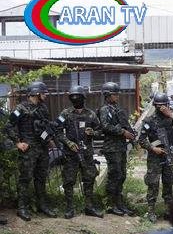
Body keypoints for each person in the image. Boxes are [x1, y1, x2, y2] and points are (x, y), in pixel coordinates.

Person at [4, 81, 57, 221]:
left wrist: (49, 139)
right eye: (43, 93)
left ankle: (42, 205)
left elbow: (45, 127)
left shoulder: (43, 108)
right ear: (36, 93)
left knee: (41, 177)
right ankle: (22, 208)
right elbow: (8, 126)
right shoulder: (20, 109)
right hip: (28, 150)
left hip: (42, 149)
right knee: (25, 179)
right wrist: (18, 142)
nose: (45, 95)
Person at [56, 85, 103, 219]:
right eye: (73, 97)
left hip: (86, 153)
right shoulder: (65, 114)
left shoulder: (91, 114)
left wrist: (93, 132)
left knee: (89, 179)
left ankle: (89, 207)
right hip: (71, 154)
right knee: (69, 181)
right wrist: (68, 143)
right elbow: (57, 131)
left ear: (83, 98)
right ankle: (70, 208)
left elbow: (100, 130)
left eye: (78, 97)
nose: (76, 99)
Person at [138, 93, 173, 223]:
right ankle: (151, 211)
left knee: (168, 182)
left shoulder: (171, 119)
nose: (162, 108)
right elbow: (141, 139)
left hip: (168, 155)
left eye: (164, 105)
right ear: (155, 105)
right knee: (153, 183)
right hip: (155, 156)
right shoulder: (149, 120)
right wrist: (153, 148)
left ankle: (168, 210)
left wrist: (171, 114)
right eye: (159, 105)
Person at [99, 81, 135, 216]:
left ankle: (119, 202)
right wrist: (122, 132)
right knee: (115, 175)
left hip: (121, 147)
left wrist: (131, 133)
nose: (117, 96)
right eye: (115, 94)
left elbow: (125, 125)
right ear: (107, 95)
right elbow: (105, 126)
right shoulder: (104, 110)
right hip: (111, 148)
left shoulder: (118, 109)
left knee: (122, 175)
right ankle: (111, 204)